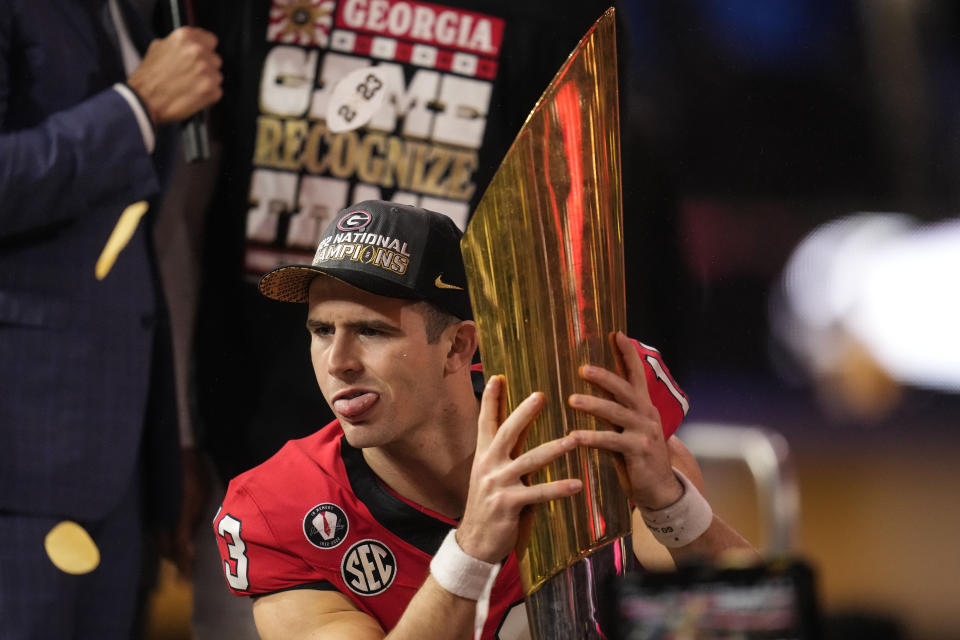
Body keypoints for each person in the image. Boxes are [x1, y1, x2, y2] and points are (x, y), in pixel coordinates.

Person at [213, 200, 756, 638]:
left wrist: (672, 505)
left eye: (373, 331)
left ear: (457, 347)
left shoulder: (583, 428)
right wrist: (469, 554)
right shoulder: (277, 508)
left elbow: (746, 622)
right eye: (322, 331)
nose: (338, 363)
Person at [0, 1, 221, 637]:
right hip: (20, 455)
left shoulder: (137, 9)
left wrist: (166, 445)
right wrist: (137, 108)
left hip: (113, 453)